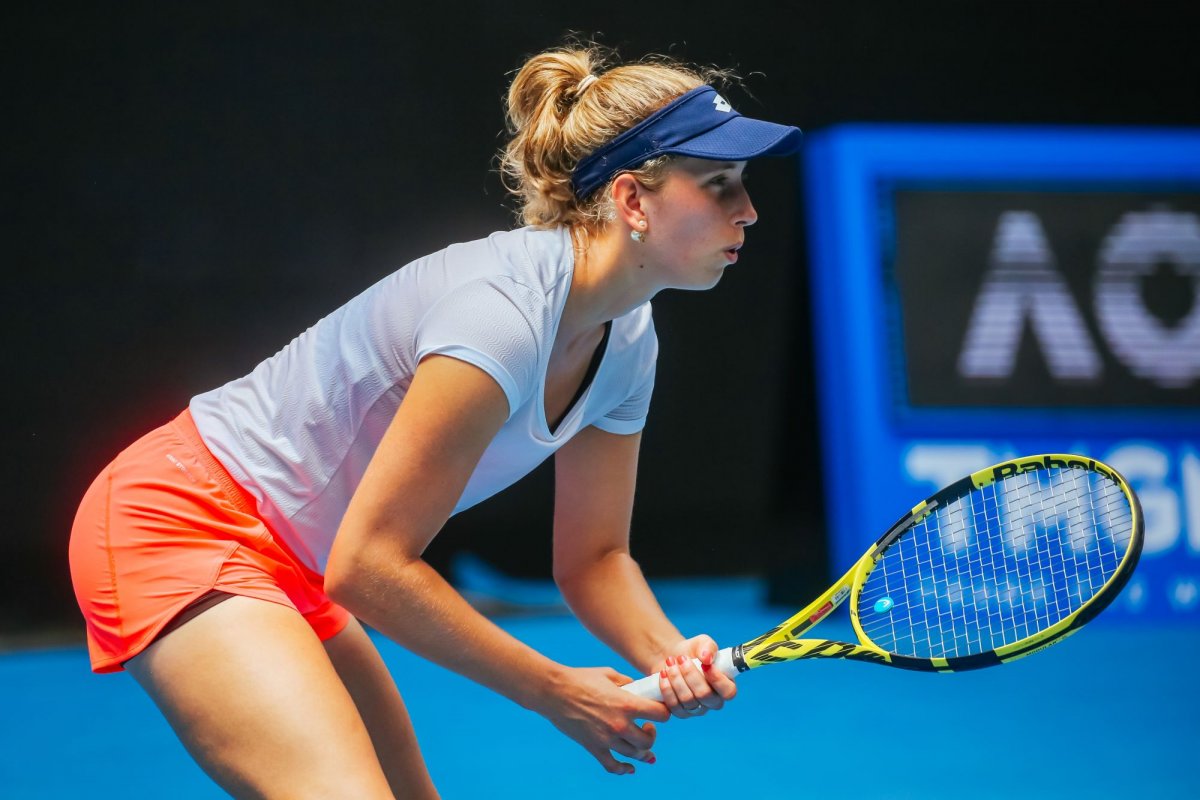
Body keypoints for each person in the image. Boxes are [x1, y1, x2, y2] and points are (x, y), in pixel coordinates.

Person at [68, 40, 803, 799]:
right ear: (631, 200)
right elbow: (369, 566)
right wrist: (556, 689)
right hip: (179, 519)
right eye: (717, 185)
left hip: (295, 560)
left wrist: (672, 656)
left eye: (741, 185)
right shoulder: (501, 318)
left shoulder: (630, 339)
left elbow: (594, 560)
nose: (747, 210)